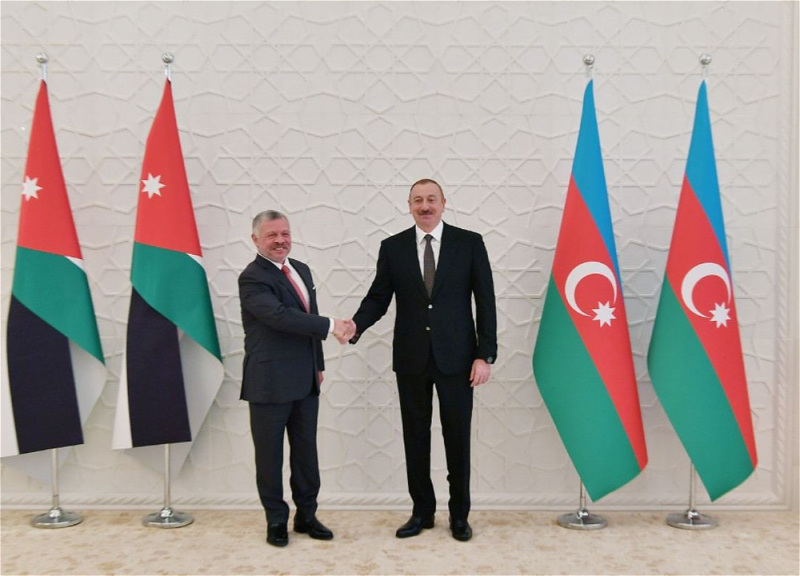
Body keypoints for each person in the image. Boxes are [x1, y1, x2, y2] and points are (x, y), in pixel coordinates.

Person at [347, 179, 497, 542]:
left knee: (457, 439)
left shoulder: (469, 243)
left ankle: (459, 516)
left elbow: (485, 301)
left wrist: (485, 354)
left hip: (459, 360)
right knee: (415, 438)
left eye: (431, 199)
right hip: (411, 359)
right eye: (418, 200)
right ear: (409, 205)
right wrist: (355, 325)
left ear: (444, 203)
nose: (425, 206)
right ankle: (422, 512)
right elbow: (378, 297)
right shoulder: (393, 247)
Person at [239, 210, 353, 547]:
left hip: (305, 379)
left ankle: (307, 515)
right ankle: (276, 520)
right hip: (268, 382)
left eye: (285, 234)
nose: (280, 241)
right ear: (256, 239)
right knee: (269, 457)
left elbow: (306, 320)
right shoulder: (252, 278)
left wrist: (318, 365)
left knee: (306, 453)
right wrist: (332, 325)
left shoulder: (301, 269)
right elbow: (280, 317)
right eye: (272, 235)